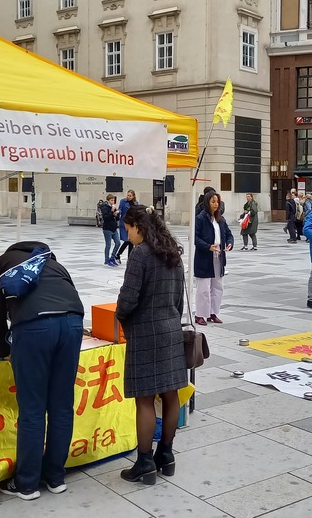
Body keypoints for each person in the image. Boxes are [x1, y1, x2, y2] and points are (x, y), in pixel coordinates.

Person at [0, 241, 84, 501]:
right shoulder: (53, 262)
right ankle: (55, 478)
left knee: (33, 409)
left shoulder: (6, 262)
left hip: (34, 328)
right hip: (72, 324)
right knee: (62, 406)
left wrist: (3, 350)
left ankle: (27, 483)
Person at [115, 205, 188, 485]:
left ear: (138, 227)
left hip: (146, 333)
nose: (127, 235)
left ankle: (144, 462)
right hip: (171, 329)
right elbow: (179, 298)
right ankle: (166, 455)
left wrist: (122, 316)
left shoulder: (140, 254)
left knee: (144, 399)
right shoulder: (172, 253)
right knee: (171, 395)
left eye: (128, 229)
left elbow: (127, 299)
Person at [194, 192, 233, 325]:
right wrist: (207, 246)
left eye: (217, 202)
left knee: (218, 286)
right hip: (204, 257)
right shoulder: (200, 218)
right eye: (213, 201)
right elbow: (194, 238)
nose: (216, 204)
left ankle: (212, 312)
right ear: (207, 203)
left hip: (218, 256)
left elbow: (229, 234)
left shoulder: (220, 219)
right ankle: (200, 314)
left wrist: (229, 243)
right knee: (203, 288)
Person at [114, 189, 138, 262]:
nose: (128, 197)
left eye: (130, 196)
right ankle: (121, 255)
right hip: (124, 223)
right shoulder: (123, 201)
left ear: (133, 196)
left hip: (132, 224)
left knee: (131, 241)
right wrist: (118, 211)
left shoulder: (136, 203)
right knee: (128, 240)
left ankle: (121, 255)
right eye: (128, 195)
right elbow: (120, 209)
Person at [100, 194, 121, 267]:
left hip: (114, 228)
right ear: (108, 200)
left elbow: (117, 218)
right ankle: (106, 260)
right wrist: (112, 211)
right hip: (107, 228)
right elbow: (106, 217)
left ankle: (112, 257)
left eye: (113, 200)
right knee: (108, 245)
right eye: (111, 200)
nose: (113, 202)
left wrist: (117, 214)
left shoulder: (113, 207)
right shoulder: (104, 207)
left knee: (118, 243)